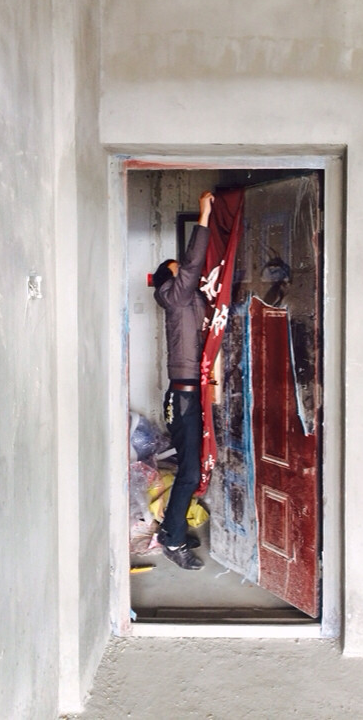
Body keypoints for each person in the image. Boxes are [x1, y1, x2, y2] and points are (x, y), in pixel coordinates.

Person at [152, 190, 214, 570]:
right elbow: (191, 267)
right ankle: (172, 540)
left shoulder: (185, 302)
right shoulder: (173, 297)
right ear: (168, 280)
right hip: (184, 397)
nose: (186, 274)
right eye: (178, 271)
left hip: (193, 394)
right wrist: (204, 216)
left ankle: (170, 528)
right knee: (189, 472)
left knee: (193, 468)